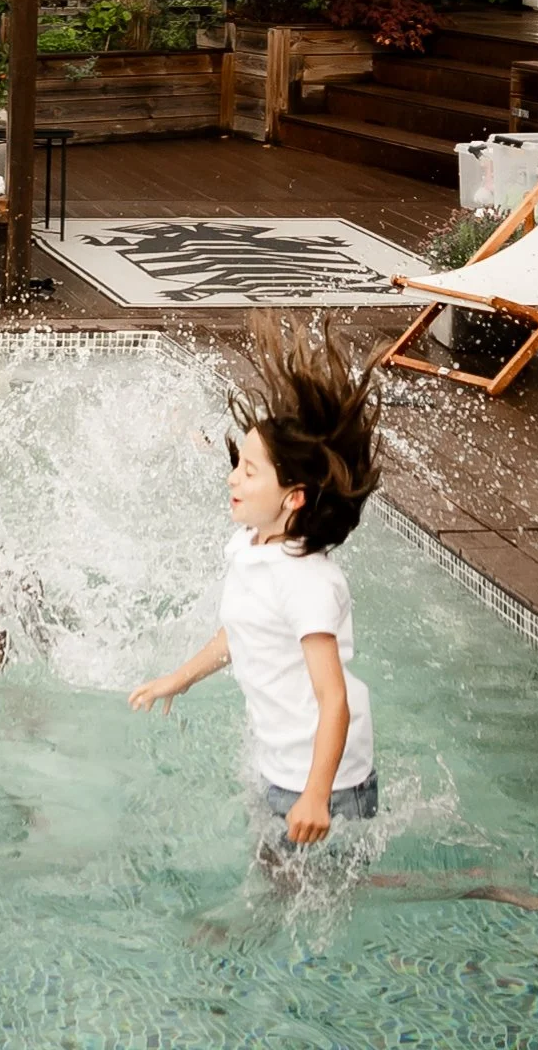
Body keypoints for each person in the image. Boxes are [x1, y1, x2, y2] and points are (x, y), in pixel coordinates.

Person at [129, 315, 380, 854]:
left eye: (248, 470)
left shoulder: (308, 582)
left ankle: (468, 890)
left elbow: (333, 699)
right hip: (285, 762)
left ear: (293, 497)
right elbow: (240, 630)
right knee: (291, 882)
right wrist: (180, 678)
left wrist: (315, 795)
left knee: (311, 895)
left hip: (325, 778)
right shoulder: (253, 546)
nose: (232, 478)